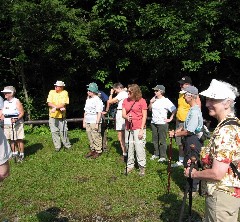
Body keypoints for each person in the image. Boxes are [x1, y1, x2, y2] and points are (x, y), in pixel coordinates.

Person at [184, 79, 240, 222]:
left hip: (221, 197)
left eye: (213, 99)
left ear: (227, 103)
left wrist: (194, 173)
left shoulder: (226, 131)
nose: (207, 103)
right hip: (227, 193)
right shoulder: (232, 124)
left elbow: (217, 173)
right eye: (208, 99)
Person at [169, 85, 203, 192]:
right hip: (189, 139)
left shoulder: (194, 112)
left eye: (185, 95)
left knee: (191, 163)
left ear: (191, 96)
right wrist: (178, 130)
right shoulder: (192, 109)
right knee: (188, 161)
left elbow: (189, 131)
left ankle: (192, 188)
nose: (184, 97)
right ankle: (189, 185)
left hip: (193, 140)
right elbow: (186, 126)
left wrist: (175, 134)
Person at [172, 76, 201, 167]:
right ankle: (182, 160)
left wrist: (175, 134)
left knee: (187, 143)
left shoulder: (194, 99)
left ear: (188, 85)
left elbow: (197, 109)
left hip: (189, 123)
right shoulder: (181, 94)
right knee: (179, 142)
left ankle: (189, 162)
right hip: (181, 121)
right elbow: (179, 107)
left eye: (182, 84)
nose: (180, 85)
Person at [122, 84, 147, 176]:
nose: (128, 93)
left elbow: (144, 116)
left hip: (138, 127)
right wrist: (127, 117)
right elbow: (123, 114)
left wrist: (141, 129)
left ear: (135, 92)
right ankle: (130, 165)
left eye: (130, 91)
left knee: (139, 147)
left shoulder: (142, 101)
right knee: (129, 146)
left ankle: (142, 167)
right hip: (128, 127)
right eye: (127, 91)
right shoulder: (125, 100)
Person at [148, 85, 176, 162]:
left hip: (162, 123)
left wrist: (170, 118)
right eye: (155, 91)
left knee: (162, 140)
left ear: (161, 92)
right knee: (154, 139)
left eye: (156, 91)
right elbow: (149, 109)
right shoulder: (154, 100)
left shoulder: (166, 100)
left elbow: (174, 109)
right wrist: (150, 102)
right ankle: (156, 153)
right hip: (153, 122)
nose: (155, 92)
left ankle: (163, 156)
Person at [1, 86, 25, 161]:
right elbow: (2, 113)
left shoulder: (16, 101)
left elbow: (22, 112)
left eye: (6, 93)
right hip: (7, 123)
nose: (5, 94)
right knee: (10, 139)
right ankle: (14, 152)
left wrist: (16, 119)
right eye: (4, 93)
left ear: (11, 93)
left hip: (16, 123)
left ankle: (21, 154)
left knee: (18, 139)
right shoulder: (5, 102)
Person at [47, 80, 71, 152]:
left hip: (61, 115)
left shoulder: (65, 93)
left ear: (61, 87)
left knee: (64, 130)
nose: (56, 87)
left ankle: (67, 145)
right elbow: (49, 103)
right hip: (52, 115)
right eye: (55, 86)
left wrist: (55, 108)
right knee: (54, 131)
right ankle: (57, 146)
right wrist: (56, 107)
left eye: (57, 86)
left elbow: (63, 104)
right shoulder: (51, 92)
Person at [106, 83, 128, 161]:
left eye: (115, 90)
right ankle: (127, 152)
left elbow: (110, 101)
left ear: (118, 88)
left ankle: (125, 154)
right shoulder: (126, 93)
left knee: (120, 135)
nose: (115, 92)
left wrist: (111, 94)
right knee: (125, 133)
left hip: (121, 113)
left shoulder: (122, 94)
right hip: (125, 113)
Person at [83, 82, 104, 159]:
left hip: (94, 120)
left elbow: (99, 112)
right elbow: (85, 111)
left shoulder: (98, 100)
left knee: (96, 136)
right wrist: (84, 121)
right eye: (88, 90)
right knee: (90, 136)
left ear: (93, 91)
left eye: (89, 90)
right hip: (88, 120)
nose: (88, 92)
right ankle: (93, 149)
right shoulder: (88, 99)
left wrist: (97, 123)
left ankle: (98, 150)